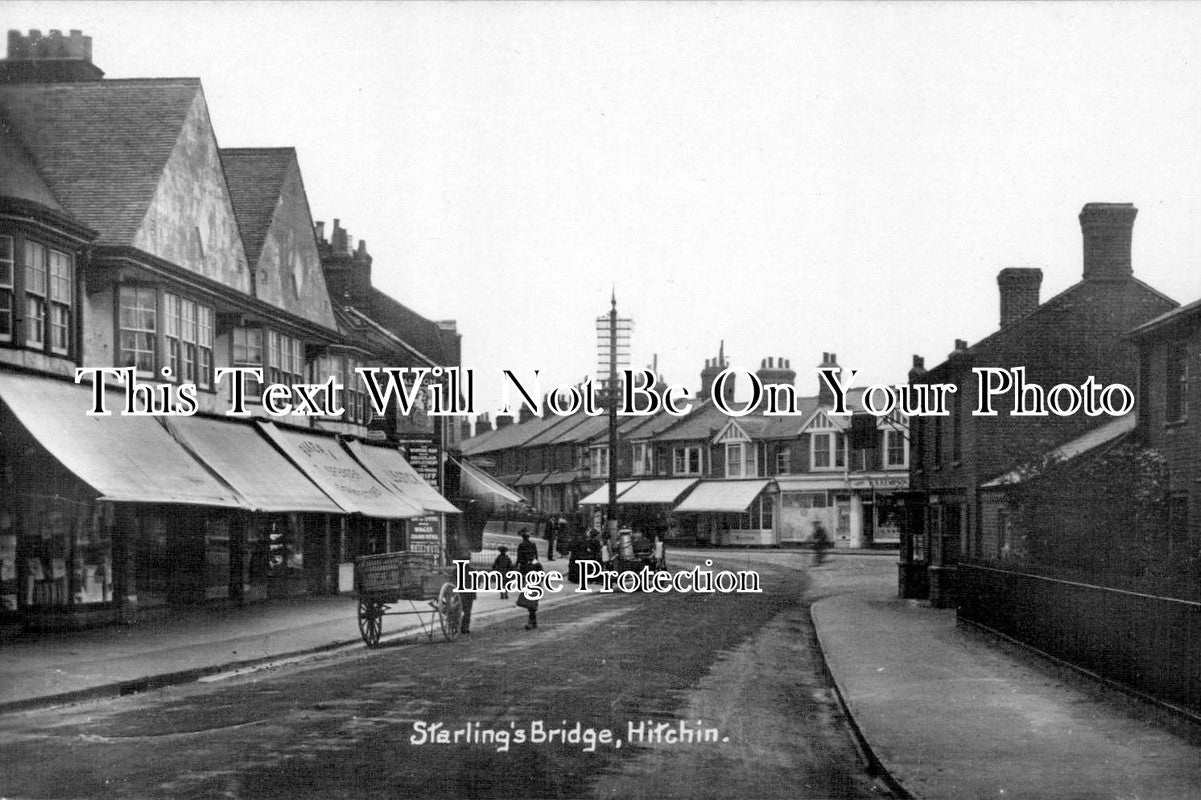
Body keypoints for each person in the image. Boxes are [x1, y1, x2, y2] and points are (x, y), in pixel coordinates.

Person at [519, 560, 543, 630]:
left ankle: (532, 623)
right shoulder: (531, 564)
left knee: (532, 606)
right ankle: (533, 622)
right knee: (531, 606)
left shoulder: (536, 565)